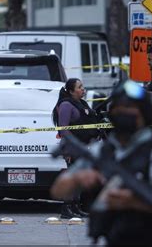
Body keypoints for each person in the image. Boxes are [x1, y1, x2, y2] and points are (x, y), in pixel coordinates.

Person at [51, 80, 152, 246]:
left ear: (144, 114)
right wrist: (78, 179)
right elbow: (58, 190)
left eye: (131, 109)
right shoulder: (101, 152)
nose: (124, 114)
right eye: (120, 109)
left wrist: (133, 201)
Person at [52, 78, 100, 219]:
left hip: (83, 147)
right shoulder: (66, 105)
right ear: (71, 91)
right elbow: (64, 129)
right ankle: (66, 208)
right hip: (72, 148)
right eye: (79, 87)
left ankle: (75, 207)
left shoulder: (82, 103)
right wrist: (70, 149)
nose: (83, 89)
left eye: (82, 86)